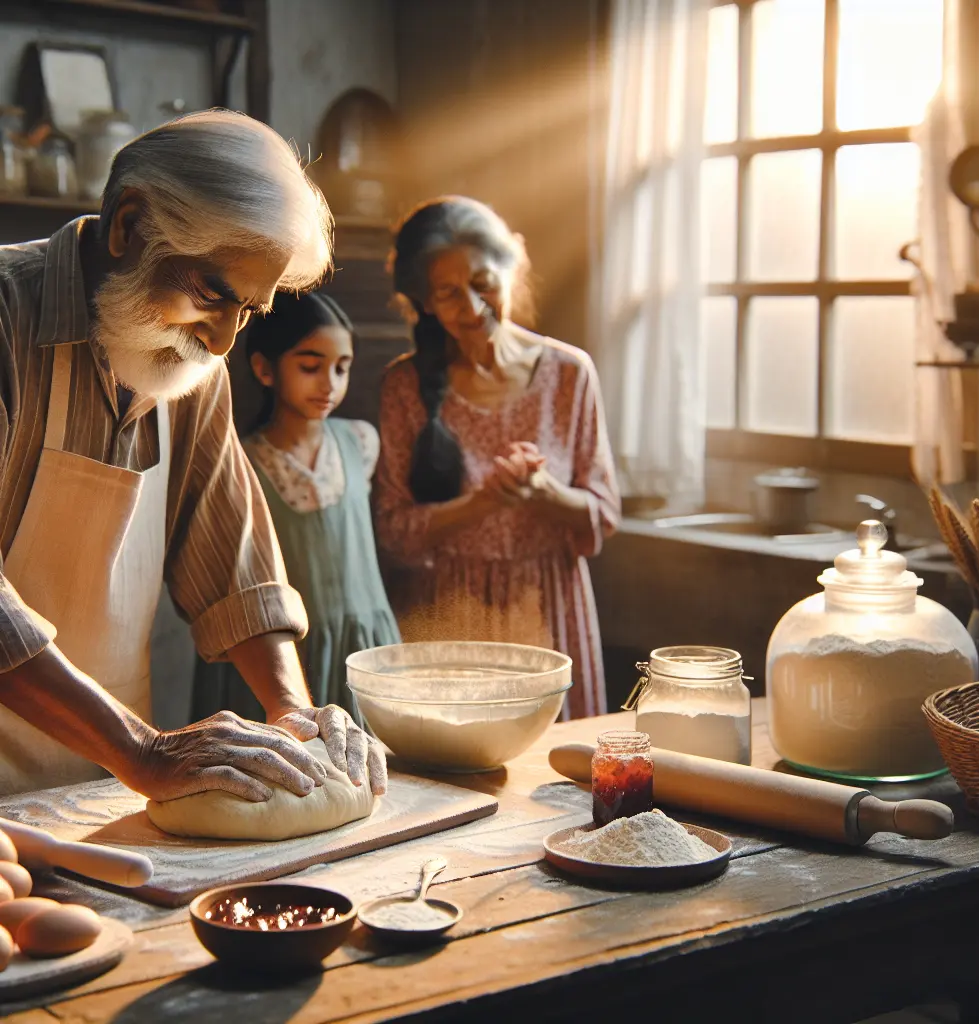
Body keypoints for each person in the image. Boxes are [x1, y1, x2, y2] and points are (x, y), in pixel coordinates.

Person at [0, 109, 386, 801]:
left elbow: (233, 566)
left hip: (94, 786)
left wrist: (292, 710)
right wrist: (142, 749)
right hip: (113, 756)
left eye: (251, 312)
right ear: (130, 226)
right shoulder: (5, 320)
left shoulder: (188, 363)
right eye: (212, 294)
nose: (221, 343)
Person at [374, 196, 621, 719]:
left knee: (560, 777)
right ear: (424, 303)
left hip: (551, 605)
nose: (472, 307)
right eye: (448, 293)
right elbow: (392, 529)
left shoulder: (569, 374)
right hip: (449, 611)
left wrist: (544, 494)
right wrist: (481, 503)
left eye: (484, 283)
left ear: (511, 270)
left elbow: (604, 511)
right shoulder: (405, 385)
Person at [192, 290, 400, 725]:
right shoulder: (240, 460)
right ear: (264, 368)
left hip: (366, 645)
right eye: (310, 366)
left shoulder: (361, 442)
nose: (330, 383)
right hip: (281, 654)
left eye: (341, 368)